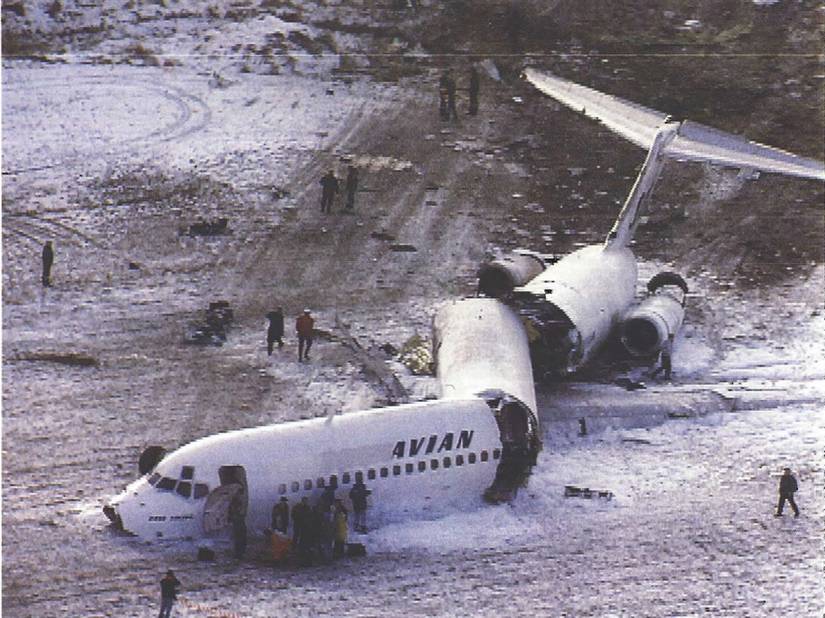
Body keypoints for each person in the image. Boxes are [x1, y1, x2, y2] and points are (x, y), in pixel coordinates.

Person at [229, 495, 247, 559]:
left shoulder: (237, 515)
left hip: (239, 527)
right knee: (239, 540)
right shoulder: (238, 515)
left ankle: (239, 553)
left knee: (239, 540)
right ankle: (239, 553)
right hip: (239, 526)